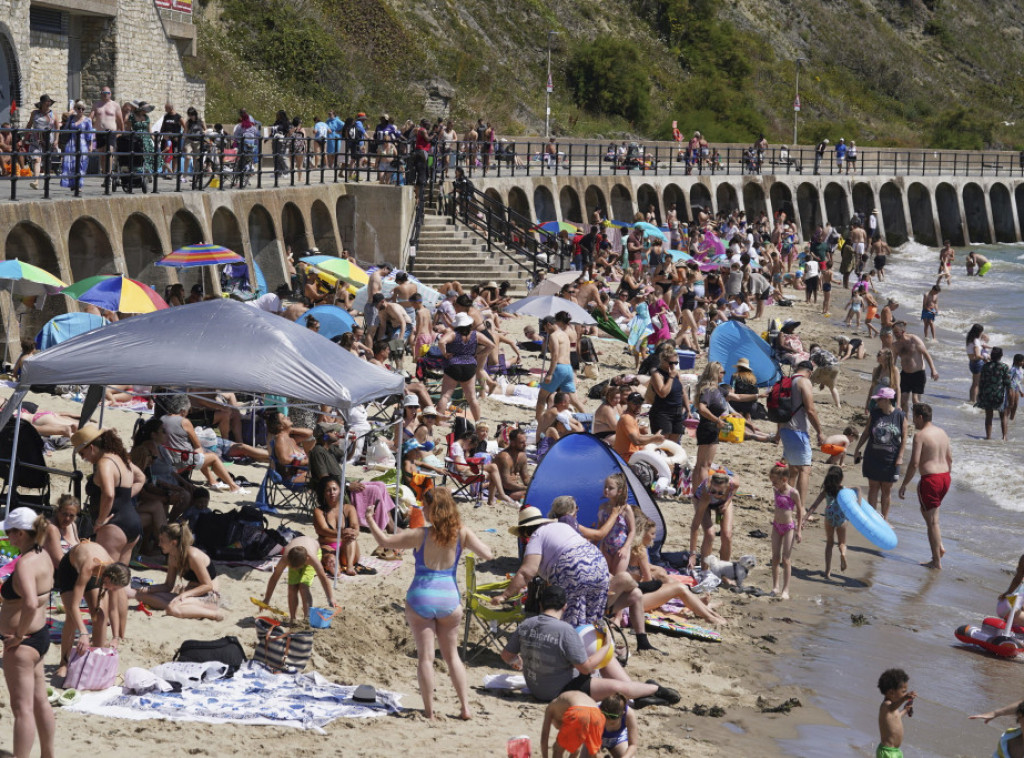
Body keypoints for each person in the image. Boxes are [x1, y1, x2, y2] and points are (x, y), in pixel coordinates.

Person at [365, 488, 491, 720]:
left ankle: (430, 712)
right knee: (453, 656)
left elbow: (383, 540)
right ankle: (465, 708)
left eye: (425, 506)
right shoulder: (462, 533)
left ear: (434, 510)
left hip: (421, 596)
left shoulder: (419, 534)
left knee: (426, 658)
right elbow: (488, 554)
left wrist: (371, 519)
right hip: (448, 597)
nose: (421, 509)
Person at [500, 584, 680, 707]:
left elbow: (506, 655)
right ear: (564, 606)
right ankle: (655, 689)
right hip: (560, 690)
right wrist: (606, 646)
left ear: (540, 604)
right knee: (616, 686)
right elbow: (586, 669)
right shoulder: (565, 630)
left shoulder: (526, 624)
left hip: (536, 687)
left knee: (596, 668)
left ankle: (641, 696)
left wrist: (521, 663)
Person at [0, 508, 55, 758]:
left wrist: (18, 636)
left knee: (22, 709)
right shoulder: (42, 554)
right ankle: (48, 754)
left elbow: (30, 603)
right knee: (40, 701)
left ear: (19, 533)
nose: (6, 538)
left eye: (8, 533)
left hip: (23, 643)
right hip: (41, 636)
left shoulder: (24, 564)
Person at [496, 509, 609, 628]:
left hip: (573, 567)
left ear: (525, 531)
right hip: (599, 563)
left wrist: (504, 595)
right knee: (592, 621)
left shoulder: (537, 535)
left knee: (570, 622)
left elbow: (526, 572)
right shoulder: (561, 527)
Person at [53, 541, 130, 686]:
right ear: (106, 579)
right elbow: (75, 606)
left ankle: (96, 660)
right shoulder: (89, 568)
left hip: (97, 571)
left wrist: (115, 636)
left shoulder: (114, 570)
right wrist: (83, 633)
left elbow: (113, 609)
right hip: (69, 569)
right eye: (112, 588)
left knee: (100, 615)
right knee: (71, 618)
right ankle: (63, 663)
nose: (112, 591)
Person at [71, 425, 145, 565]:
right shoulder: (121, 459)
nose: (84, 458)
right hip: (131, 519)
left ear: (91, 447)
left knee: (103, 573)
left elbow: (109, 494)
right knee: (120, 579)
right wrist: (124, 498)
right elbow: (141, 478)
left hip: (114, 525)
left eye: (82, 454)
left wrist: (100, 521)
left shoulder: (104, 463)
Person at [897, 404, 951, 569]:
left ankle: (936, 561)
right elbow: (950, 458)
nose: (914, 421)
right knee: (931, 515)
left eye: (914, 417)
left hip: (931, 479)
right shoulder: (942, 432)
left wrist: (904, 484)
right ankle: (939, 546)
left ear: (920, 417)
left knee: (932, 522)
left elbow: (914, 463)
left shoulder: (920, 436)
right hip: (945, 477)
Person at [131, 523, 223, 620]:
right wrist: (147, 589)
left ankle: (213, 614)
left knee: (172, 609)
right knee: (141, 596)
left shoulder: (193, 556)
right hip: (191, 594)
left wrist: (184, 594)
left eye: (162, 540)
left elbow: (208, 586)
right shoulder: (172, 556)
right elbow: (168, 586)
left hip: (209, 597)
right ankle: (184, 607)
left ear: (173, 543)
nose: (159, 544)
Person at [853, 387, 907, 520]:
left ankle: (884, 519)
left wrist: (900, 456)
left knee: (886, 489)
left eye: (879, 399)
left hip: (891, 459)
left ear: (888, 400)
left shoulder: (900, 416)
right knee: (873, 487)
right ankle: (871, 517)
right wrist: (857, 448)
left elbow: (905, 437)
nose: (876, 402)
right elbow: (866, 432)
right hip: (873, 456)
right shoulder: (875, 413)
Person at [778, 361, 825, 512]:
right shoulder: (804, 381)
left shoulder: (787, 381)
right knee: (805, 469)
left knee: (794, 470)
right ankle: (801, 509)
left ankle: (788, 504)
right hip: (798, 430)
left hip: (785, 428)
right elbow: (810, 410)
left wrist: (778, 433)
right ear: (810, 372)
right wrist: (819, 431)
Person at [262, 535, 337, 624]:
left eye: (296, 567)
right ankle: (292, 619)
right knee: (292, 588)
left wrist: (330, 598)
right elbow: (274, 578)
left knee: (303, 586)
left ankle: (307, 618)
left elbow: (323, 579)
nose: (293, 569)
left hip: (313, 549)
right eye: (291, 567)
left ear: (306, 560)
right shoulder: (286, 558)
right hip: (296, 553)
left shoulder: (312, 559)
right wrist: (267, 599)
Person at [312, 475, 370, 577]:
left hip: (348, 547)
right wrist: (341, 533)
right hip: (328, 546)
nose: (332, 493)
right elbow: (322, 530)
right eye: (328, 490)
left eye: (335, 489)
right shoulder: (319, 511)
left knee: (350, 537)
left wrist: (350, 533)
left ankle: (349, 566)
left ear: (340, 490)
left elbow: (356, 528)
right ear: (323, 493)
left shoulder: (349, 508)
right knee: (329, 557)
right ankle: (334, 567)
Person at [802, 465, 851, 580]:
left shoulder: (826, 490)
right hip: (841, 518)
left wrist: (804, 518)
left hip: (829, 516)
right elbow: (852, 506)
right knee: (842, 543)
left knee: (829, 543)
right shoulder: (844, 490)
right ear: (841, 478)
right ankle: (843, 553)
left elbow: (814, 505)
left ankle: (827, 571)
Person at [688, 470, 739, 567]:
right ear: (710, 486)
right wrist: (693, 554)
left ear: (727, 487)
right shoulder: (706, 494)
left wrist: (727, 502)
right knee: (710, 533)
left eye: (720, 493)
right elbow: (695, 526)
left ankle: (724, 570)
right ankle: (704, 571)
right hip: (703, 501)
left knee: (727, 535)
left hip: (723, 502)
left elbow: (736, 487)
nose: (716, 494)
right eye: (713, 491)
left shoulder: (733, 484)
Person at [767, 462, 802, 598]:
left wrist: (799, 530)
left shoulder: (793, 493)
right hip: (776, 526)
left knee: (786, 559)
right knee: (775, 557)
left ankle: (785, 589)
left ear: (784, 480)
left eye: (775, 482)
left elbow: (799, 510)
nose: (773, 484)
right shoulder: (776, 490)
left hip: (788, 528)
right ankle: (775, 587)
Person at [693, 362, 731, 487]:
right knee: (705, 465)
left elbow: (738, 397)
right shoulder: (709, 390)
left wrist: (758, 395)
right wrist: (717, 420)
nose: (724, 374)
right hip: (709, 427)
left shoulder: (716, 389)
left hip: (707, 427)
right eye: (722, 372)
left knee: (700, 465)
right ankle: (703, 491)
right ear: (716, 373)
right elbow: (702, 408)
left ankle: (695, 491)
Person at [537, 315, 578, 422]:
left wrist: (550, 373)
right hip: (569, 367)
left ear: (549, 325)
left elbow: (555, 355)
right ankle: (588, 418)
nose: (545, 331)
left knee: (542, 396)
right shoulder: (565, 334)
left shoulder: (553, 335)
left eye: (545, 328)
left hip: (559, 367)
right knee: (574, 400)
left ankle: (539, 420)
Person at [540, 691, 605, 758]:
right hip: (598, 714)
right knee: (595, 753)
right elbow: (576, 751)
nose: (559, 729)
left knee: (557, 749)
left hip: (579, 711)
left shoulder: (550, 709)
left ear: (554, 719)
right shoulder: (562, 705)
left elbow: (544, 736)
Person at [892, 321, 938, 414]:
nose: (895, 335)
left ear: (903, 331)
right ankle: (904, 421)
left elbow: (926, 354)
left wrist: (933, 370)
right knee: (903, 400)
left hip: (918, 374)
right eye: (894, 332)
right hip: (905, 374)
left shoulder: (914, 340)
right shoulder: (896, 345)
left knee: (915, 400)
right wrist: (891, 375)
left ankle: (920, 419)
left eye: (897, 332)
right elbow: (893, 362)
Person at [648, 343, 690, 442]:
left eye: (676, 363)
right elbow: (662, 393)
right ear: (663, 361)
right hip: (662, 412)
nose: (673, 366)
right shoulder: (657, 374)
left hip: (677, 412)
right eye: (671, 363)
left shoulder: (676, 374)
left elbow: (682, 391)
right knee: (662, 443)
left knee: (673, 444)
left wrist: (688, 409)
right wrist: (671, 377)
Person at [595, 474, 634, 575]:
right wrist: (594, 544)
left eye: (610, 488)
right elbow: (600, 528)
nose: (606, 490)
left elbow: (632, 531)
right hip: (606, 546)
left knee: (617, 577)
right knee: (607, 576)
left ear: (619, 491)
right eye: (605, 487)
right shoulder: (603, 507)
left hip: (621, 547)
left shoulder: (625, 509)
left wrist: (625, 547)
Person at [613, 392, 664, 463]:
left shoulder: (631, 417)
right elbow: (637, 441)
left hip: (630, 456)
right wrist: (654, 438)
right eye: (635, 403)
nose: (638, 405)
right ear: (628, 403)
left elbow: (636, 440)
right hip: (626, 459)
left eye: (640, 403)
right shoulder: (627, 418)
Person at [877, 668, 915, 758]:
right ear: (891, 692)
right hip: (887, 752)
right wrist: (904, 698)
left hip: (895, 751)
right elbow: (892, 708)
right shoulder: (886, 705)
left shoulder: (892, 708)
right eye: (903, 691)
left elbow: (896, 717)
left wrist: (905, 710)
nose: (905, 694)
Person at [978, 347, 1013, 441]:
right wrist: (1011, 401)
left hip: (987, 394)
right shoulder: (1004, 367)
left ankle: (988, 437)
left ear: (991, 356)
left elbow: (981, 382)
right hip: (1000, 395)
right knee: (1003, 416)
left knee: (989, 416)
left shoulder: (985, 366)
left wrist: (980, 395)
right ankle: (1004, 437)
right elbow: (1008, 384)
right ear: (1001, 356)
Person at [42, 494, 81, 567]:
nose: (67, 519)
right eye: (64, 514)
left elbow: (79, 548)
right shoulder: (51, 528)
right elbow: (59, 562)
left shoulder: (72, 526)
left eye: (71, 516)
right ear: (58, 511)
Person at [494, 428, 531, 500]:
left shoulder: (522, 456)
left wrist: (532, 486)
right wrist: (526, 488)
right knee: (528, 495)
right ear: (513, 443)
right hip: (502, 491)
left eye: (525, 442)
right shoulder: (504, 457)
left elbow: (526, 478)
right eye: (521, 442)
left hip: (515, 488)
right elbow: (506, 484)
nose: (525, 445)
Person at [966, 323, 988, 403]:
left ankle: (972, 399)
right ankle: (974, 400)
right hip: (977, 363)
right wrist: (986, 357)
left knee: (974, 383)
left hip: (972, 362)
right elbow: (978, 355)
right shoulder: (976, 341)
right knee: (976, 384)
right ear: (978, 332)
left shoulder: (969, 339)